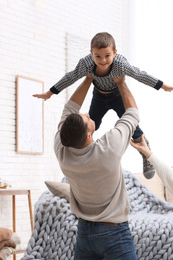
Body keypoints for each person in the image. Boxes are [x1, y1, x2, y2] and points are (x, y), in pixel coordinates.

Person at [34, 32, 173, 179]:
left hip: (117, 95)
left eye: (107, 56)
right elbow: (71, 77)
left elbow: (139, 74)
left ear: (114, 53)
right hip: (99, 97)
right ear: (91, 53)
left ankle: (144, 149)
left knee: (132, 126)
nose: (103, 60)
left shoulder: (120, 64)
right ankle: (80, 160)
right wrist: (50, 93)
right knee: (90, 127)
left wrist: (163, 86)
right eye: (97, 56)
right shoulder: (86, 64)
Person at [54, 74, 138, 260]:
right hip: (114, 233)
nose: (86, 113)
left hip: (85, 233)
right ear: (88, 136)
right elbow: (132, 114)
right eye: (85, 118)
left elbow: (70, 108)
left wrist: (88, 78)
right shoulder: (108, 149)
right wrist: (121, 83)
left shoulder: (62, 150)